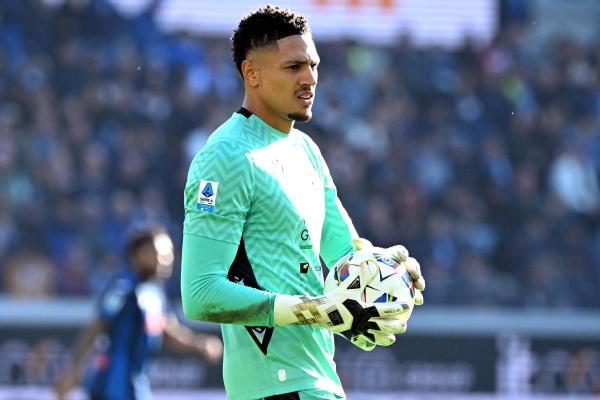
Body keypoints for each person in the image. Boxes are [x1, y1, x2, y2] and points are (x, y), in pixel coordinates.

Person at [180, 5, 425, 400]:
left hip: (318, 380)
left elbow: (346, 252)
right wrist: (313, 310)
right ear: (251, 73)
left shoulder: (306, 150)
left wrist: (387, 275)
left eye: (313, 65)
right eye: (293, 67)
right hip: (273, 386)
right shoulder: (226, 158)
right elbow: (201, 293)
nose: (310, 78)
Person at [54, 224, 223, 400]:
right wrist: (72, 372)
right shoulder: (123, 287)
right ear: (140, 254)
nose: (167, 259)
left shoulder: (155, 294)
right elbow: (98, 326)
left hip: (135, 389)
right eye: (160, 252)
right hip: (110, 388)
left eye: (169, 253)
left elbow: (167, 332)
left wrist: (199, 344)